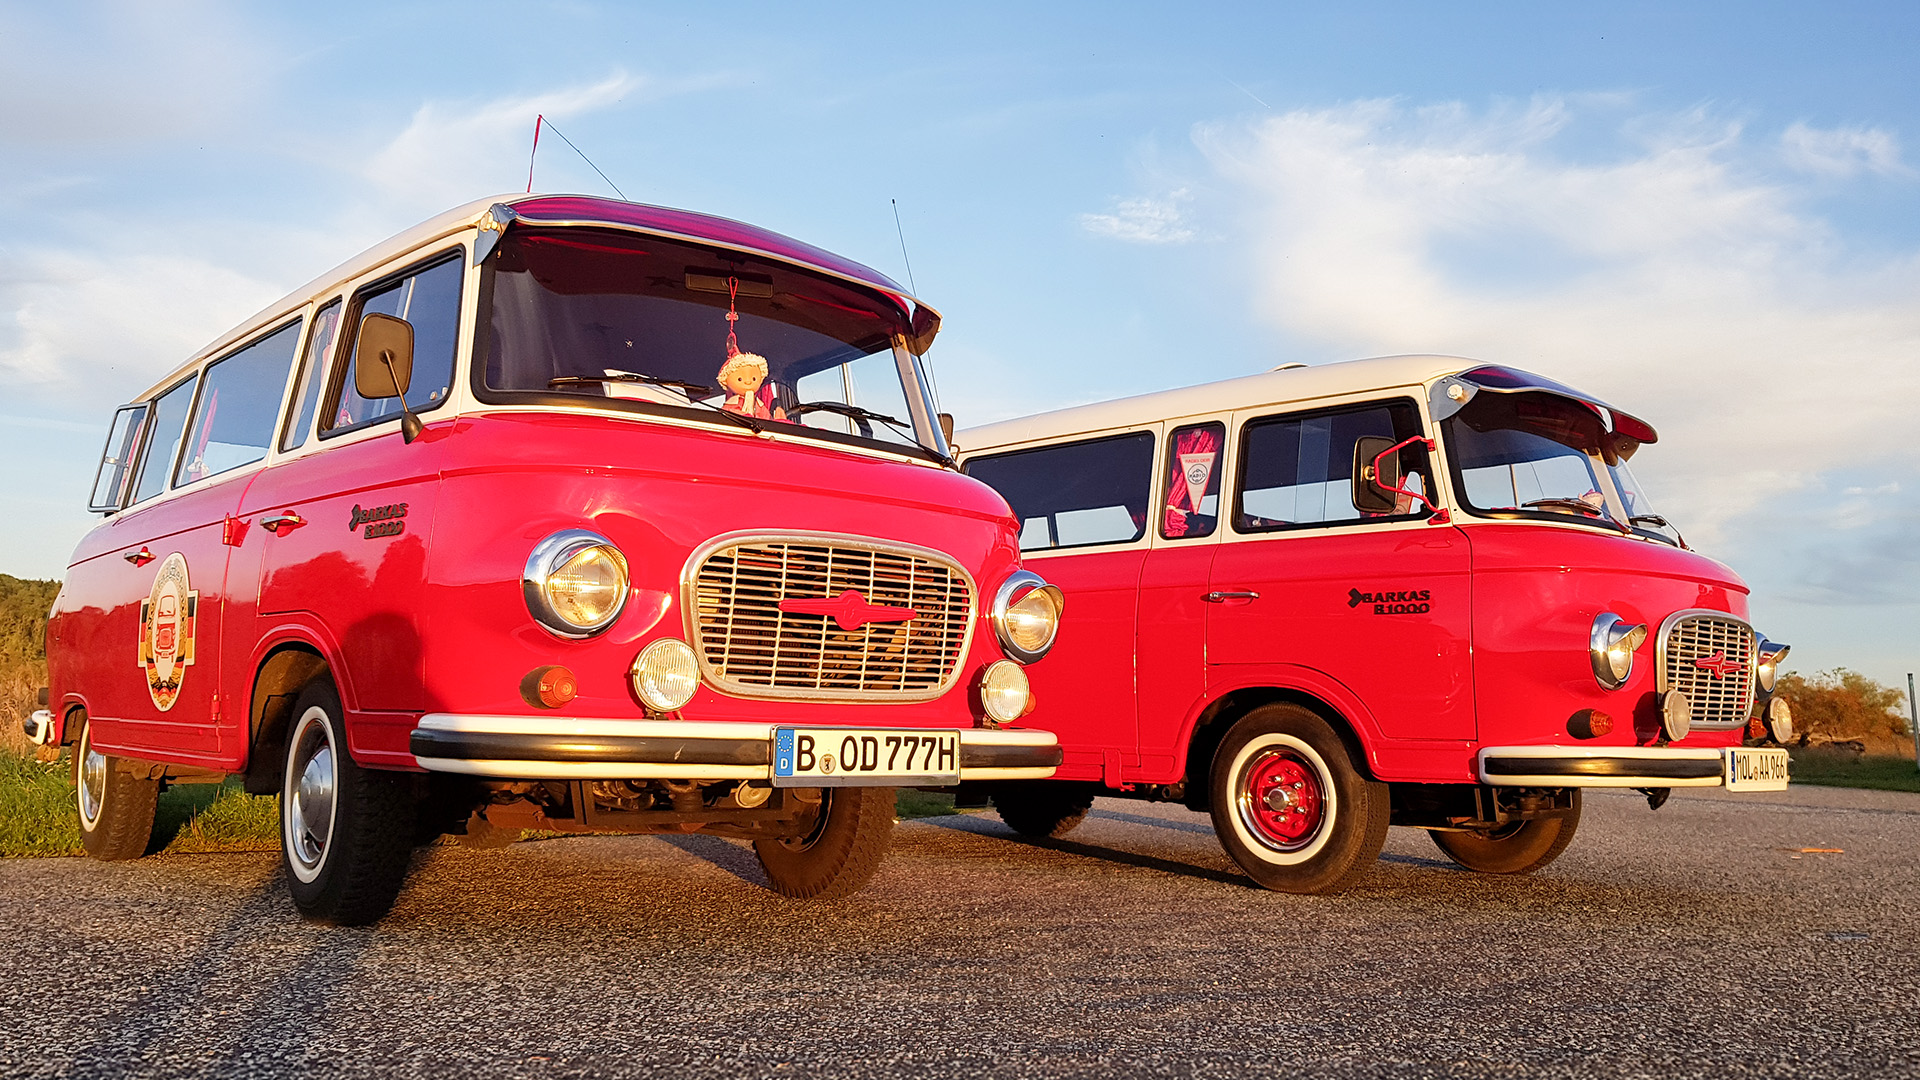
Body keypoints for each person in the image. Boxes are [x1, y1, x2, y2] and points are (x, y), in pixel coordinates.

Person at [716, 351, 787, 421]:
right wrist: (744, 416)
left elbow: (766, 418)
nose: (748, 381)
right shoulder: (732, 403)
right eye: (740, 379)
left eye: (754, 379)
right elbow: (729, 414)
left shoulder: (759, 405)